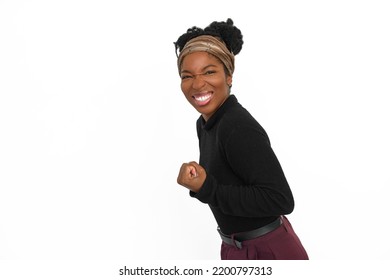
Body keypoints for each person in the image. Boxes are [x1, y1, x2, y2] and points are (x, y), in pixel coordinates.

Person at [175, 18, 308, 260]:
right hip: (235, 248)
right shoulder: (205, 124)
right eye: (187, 76)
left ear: (229, 76)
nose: (198, 84)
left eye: (209, 72)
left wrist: (207, 188)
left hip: (268, 251)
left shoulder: (237, 126)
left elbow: (280, 200)